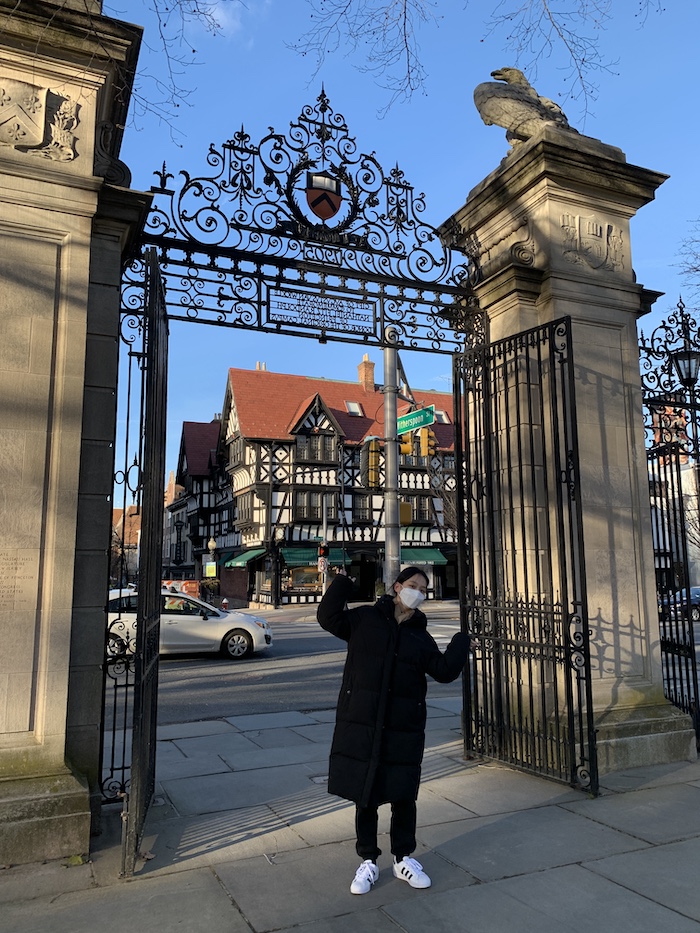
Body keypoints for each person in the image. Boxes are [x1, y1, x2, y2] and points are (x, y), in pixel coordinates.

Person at [317, 566, 470, 896]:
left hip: (403, 728)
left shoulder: (420, 635)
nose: (418, 592)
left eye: (423, 590)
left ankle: (403, 858)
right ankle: (369, 861)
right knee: (366, 794)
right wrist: (342, 582)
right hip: (363, 721)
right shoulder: (365, 620)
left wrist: (461, 641)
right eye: (413, 585)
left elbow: (443, 671)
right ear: (397, 587)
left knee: (403, 794)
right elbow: (328, 617)